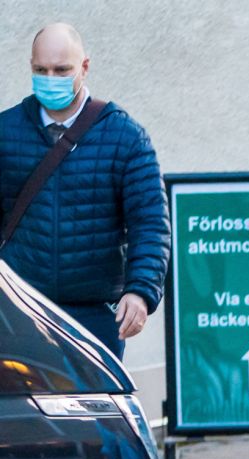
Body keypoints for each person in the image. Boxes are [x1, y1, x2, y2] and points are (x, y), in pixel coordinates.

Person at [0, 23, 169, 359]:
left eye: (61, 70)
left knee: (93, 409)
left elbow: (150, 223)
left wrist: (140, 291)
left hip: (93, 317)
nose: (50, 78)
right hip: (17, 311)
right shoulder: (5, 132)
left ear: (85, 67)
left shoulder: (124, 136)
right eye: (40, 70)